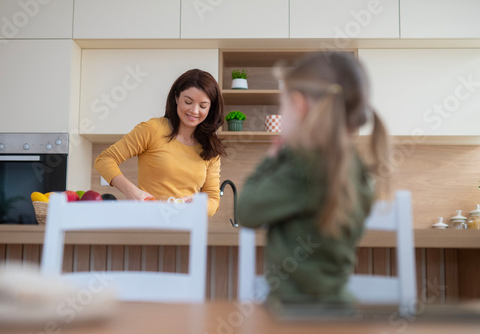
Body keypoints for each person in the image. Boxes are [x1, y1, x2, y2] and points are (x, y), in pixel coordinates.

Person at [237, 52, 392, 305]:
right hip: (338, 307)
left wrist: (271, 159)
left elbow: (246, 210)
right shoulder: (357, 168)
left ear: (298, 106)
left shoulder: (301, 166)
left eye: (282, 105)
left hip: (292, 313)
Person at [95, 69, 225, 217]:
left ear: (211, 108)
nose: (194, 111)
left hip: (187, 230)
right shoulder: (153, 129)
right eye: (188, 102)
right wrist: (131, 191)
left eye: (203, 106)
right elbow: (104, 159)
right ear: (176, 97)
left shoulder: (210, 147)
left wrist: (198, 205)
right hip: (149, 226)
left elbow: (213, 198)